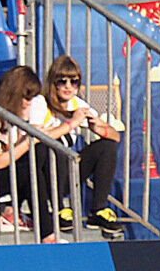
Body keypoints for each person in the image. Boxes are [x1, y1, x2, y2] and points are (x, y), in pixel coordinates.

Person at [28, 55, 122, 240]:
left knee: (107, 146)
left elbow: (115, 136)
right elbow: (35, 138)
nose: (68, 86)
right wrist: (71, 124)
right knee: (56, 147)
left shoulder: (78, 104)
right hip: (43, 172)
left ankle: (98, 210)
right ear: (53, 82)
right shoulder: (40, 103)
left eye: (74, 82)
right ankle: (59, 208)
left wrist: (98, 127)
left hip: (67, 173)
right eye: (62, 81)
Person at [0, 66, 60, 242]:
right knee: (30, 163)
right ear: (13, 93)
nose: (28, 103)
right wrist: (28, 140)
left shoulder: (17, 113)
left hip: (4, 175)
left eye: (32, 98)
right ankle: (48, 234)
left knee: (40, 151)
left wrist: (27, 131)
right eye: (26, 97)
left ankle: (15, 210)